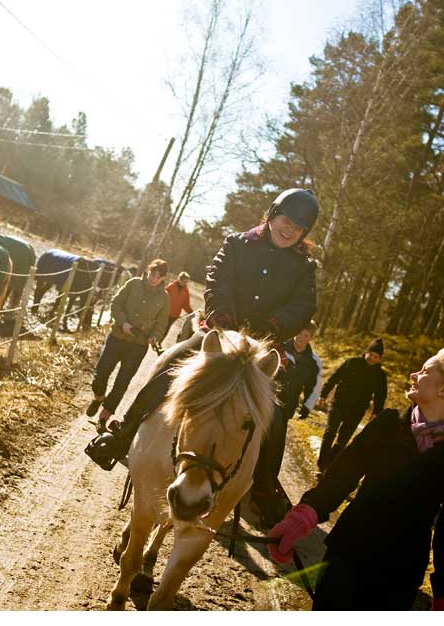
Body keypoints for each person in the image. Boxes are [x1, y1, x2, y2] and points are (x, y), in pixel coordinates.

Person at [85, 188, 319, 470]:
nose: (290, 230)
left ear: (304, 234)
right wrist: (223, 316)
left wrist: (272, 326)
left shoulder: (304, 267)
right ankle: (123, 434)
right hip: (219, 333)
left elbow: (304, 306)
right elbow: (217, 278)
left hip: (262, 345)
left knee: (278, 412)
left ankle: (265, 487)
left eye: (298, 227)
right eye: (287, 221)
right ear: (273, 215)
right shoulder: (238, 244)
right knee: (168, 365)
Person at [266, 346, 444, 611]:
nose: (413, 374)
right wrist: (301, 518)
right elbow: (341, 475)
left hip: (399, 576)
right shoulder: (388, 423)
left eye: (424, 371)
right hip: (346, 555)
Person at [250, 320, 325, 527]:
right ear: (295, 333)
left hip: (286, 409)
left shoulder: (312, 362)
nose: (302, 338)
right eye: (300, 334)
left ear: (311, 338)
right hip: (267, 402)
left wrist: (308, 406)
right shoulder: (280, 348)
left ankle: (262, 482)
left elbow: (315, 386)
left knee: (274, 443)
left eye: (306, 336)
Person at [85, 259, 170, 431]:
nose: (154, 278)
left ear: (163, 278)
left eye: (159, 277)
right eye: (153, 274)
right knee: (101, 372)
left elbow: (162, 324)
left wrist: (155, 336)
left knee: (123, 381)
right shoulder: (133, 284)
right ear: (148, 271)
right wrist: (122, 322)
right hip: (117, 337)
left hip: (138, 346)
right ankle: (99, 397)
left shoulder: (164, 298)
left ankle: (104, 417)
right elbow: (116, 303)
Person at [315, 337, 388, 473]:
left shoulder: (380, 375)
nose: (372, 358)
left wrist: (376, 413)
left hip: (357, 411)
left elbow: (380, 396)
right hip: (338, 404)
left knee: (343, 440)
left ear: (379, 359)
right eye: (371, 354)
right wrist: (323, 395)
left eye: (376, 356)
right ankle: (321, 464)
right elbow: (334, 377)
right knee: (330, 433)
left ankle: (328, 465)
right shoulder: (352, 363)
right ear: (366, 352)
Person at [164, 271, 193, 338]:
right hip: (165, 312)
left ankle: (158, 343)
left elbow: (186, 304)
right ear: (179, 279)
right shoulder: (171, 287)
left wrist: (191, 312)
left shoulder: (186, 291)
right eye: (183, 281)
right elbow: (163, 297)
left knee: (166, 329)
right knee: (161, 327)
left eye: (186, 282)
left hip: (174, 315)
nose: (184, 283)